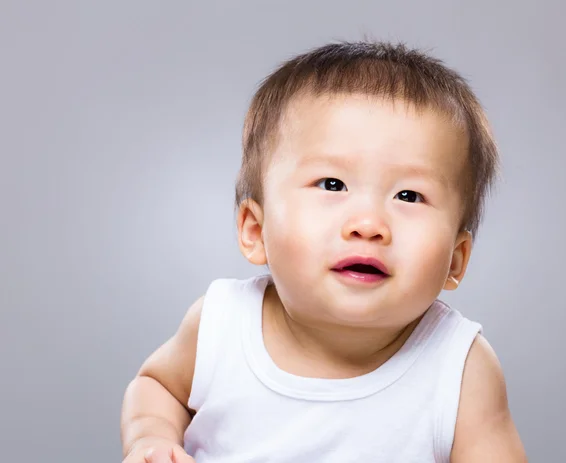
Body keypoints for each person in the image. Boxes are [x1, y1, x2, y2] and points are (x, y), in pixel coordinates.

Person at [120, 41, 527, 462]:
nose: (368, 225)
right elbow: (156, 387)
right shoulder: (221, 325)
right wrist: (152, 438)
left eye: (408, 195)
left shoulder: (460, 367)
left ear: (456, 260)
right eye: (332, 184)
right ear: (256, 231)